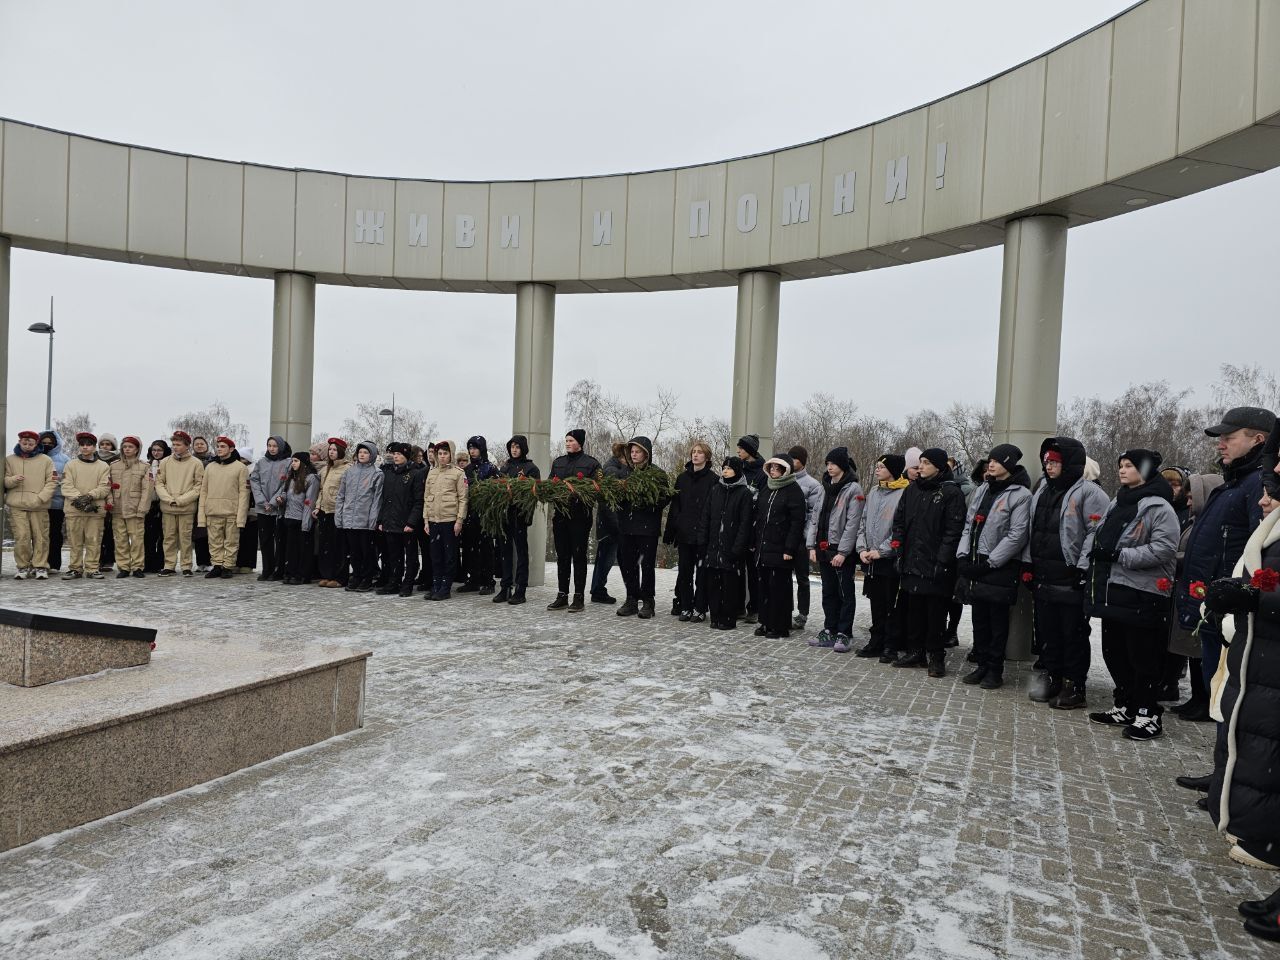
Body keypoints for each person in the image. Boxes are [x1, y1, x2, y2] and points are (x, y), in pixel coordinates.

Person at [1175, 407, 1273, 778]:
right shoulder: (1233, 483)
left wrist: (1240, 594)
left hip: (1234, 613)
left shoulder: (1258, 488)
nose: (1221, 443)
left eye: (1230, 437)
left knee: (1230, 697)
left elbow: (1258, 553)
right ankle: (1222, 772)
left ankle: (1230, 777)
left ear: (1258, 440)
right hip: (1214, 609)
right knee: (1217, 692)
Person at [1205, 428, 1280, 873]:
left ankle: (1267, 838)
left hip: (1268, 654)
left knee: (1265, 745)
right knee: (1253, 739)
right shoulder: (1265, 518)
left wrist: (1256, 598)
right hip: (1259, 652)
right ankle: (1260, 830)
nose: (1273, 475)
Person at [1082, 450, 1180, 741]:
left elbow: (1164, 548)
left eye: (1129, 466)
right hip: (1114, 589)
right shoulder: (1118, 501)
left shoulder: (1159, 507)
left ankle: (1148, 714)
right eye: (1121, 465)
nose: (1122, 471)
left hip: (1143, 592)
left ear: (1146, 470)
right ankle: (1125, 703)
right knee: (1115, 652)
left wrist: (1119, 554)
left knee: (1143, 657)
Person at [1023, 438, 1110, 709]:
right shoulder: (1042, 492)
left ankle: (1075, 685)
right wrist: (1028, 563)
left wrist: (1082, 568)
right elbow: (1032, 529)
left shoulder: (1090, 494)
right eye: (1047, 461)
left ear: (1069, 463)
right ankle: (1053, 677)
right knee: (1048, 632)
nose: (1049, 466)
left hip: (1070, 575)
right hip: (1044, 574)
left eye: (1055, 462)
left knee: (1072, 633)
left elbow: (1095, 534)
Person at [955, 444, 1032, 690]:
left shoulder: (1021, 495)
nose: (991, 464)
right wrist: (963, 555)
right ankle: (981, 664)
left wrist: (991, 562)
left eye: (997, 461)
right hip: (976, 562)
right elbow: (969, 523)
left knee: (998, 622)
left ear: (1009, 465)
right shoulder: (983, 489)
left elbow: (1017, 535)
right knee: (979, 618)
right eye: (990, 460)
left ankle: (995, 670)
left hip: (1000, 565)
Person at [891, 447, 967, 677]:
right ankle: (916, 652)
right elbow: (900, 521)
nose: (920, 467)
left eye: (926, 463)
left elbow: (953, 531)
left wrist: (943, 560)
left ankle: (936, 656)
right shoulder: (913, 489)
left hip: (936, 563)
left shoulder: (951, 493)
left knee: (935, 613)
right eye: (920, 462)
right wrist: (899, 546)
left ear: (939, 466)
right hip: (912, 560)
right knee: (914, 610)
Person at [1166, 472, 1224, 723]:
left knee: (1200, 650)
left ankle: (1205, 700)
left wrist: (1172, 558)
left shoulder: (1208, 525)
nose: (1188, 502)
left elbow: (1196, 555)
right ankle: (1198, 698)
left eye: (1192, 497)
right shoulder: (1194, 521)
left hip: (1199, 592)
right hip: (1188, 590)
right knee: (1191, 650)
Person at [806, 447, 863, 651]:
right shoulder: (824, 487)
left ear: (842, 466)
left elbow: (852, 523)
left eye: (833, 464)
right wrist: (811, 545)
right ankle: (829, 628)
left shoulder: (853, 489)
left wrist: (843, 552)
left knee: (844, 592)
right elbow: (815, 518)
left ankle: (844, 632)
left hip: (840, 549)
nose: (829, 467)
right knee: (828, 591)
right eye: (828, 464)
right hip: (823, 546)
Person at [856, 454, 910, 660]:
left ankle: (891, 644)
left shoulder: (904, 493)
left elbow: (901, 528)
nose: (877, 469)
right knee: (876, 602)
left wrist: (883, 550)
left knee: (891, 604)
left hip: (889, 559)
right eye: (876, 465)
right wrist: (862, 548)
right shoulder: (874, 491)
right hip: (870, 558)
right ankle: (876, 640)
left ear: (893, 470)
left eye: (881, 466)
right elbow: (863, 521)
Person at [615, 436, 671, 619]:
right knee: (628, 565)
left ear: (646, 453)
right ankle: (631, 598)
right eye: (632, 451)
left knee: (647, 566)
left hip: (647, 528)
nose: (634, 454)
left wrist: (648, 503)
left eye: (637, 451)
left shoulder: (657, 474)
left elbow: (664, 497)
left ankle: (648, 600)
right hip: (626, 527)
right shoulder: (624, 473)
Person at [752, 457, 807, 639]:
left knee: (779, 588)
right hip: (764, 546)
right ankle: (765, 621)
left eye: (778, 468)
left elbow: (796, 523)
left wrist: (790, 549)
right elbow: (760, 518)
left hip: (782, 548)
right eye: (772, 467)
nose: (774, 470)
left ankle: (779, 625)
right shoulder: (767, 487)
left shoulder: (793, 490)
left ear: (786, 470)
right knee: (764, 587)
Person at [698, 456, 755, 631]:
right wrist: (703, 541)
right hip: (713, 548)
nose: (725, 471)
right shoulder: (716, 490)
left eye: (729, 468)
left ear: (737, 471)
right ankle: (715, 616)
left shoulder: (744, 493)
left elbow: (745, 524)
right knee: (713, 584)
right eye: (724, 468)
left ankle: (728, 618)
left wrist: (737, 548)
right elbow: (706, 518)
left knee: (729, 586)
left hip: (731, 548)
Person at [548, 430, 601, 612]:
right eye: (566, 440)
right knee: (562, 557)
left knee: (579, 557)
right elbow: (550, 484)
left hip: (580, 518)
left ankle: (578, 597)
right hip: (560, 517)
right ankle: (562, 595)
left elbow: (596, 490)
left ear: (579, 442)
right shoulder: (558, 462)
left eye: (571, 440)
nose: (567, 443)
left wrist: (578, 496)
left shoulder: (591, 464)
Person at [664, 442, 716, 622]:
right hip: (685, 533)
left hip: (703, 535)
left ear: (706, 457)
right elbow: (675, 507)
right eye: (693, 452)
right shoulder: (682, 478)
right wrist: (672, 530)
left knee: (702, 574)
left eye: (700, 453)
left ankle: (700, 608)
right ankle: (685, 606)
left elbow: (713, 510)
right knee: (684, 572)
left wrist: (709, 532)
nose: (695, 455)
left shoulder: (713, 480)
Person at [495, 435, 540, 605]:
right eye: (512, 446)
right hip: (504, 515)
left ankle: (520, 589)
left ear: (523, 449)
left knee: (521, 552)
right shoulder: (505, 467)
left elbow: (533, 495)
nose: (514, 450)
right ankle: (505, 587)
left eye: (517, 447)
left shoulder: (531, 468)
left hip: (519, 516)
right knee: (505, 552)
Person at [4, 430, 56, 579]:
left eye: (31, 443)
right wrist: (13, 479)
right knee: (22, 537)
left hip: (39, 505)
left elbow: (52, 482)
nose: (27, 446)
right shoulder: (10, 459)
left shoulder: (46, 460)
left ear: (36, 444)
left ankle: (40, 566)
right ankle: (23, 566)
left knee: (41, 537)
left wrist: (40, 498)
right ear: (19, 442)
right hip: (17, 505)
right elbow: (5, 481)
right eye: (24, 443)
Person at [60, 432, 112, 580]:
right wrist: (81, 501)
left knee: (93, 540)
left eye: (88, 444)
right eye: (82, 445)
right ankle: (75, 568)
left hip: (95, 511)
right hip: (74, 510)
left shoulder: (103, 466)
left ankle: (92, 568)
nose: (85, 447)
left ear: (94, 447)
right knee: (75, 542)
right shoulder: (70, 465)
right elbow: (66, 486)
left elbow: (104, 487)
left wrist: (89, 497)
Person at [197, 436, 250, 579]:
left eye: (223, 446)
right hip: (213, 510)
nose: (219, 449)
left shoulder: (240, 468)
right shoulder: (210, 467)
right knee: (214, 541)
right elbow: (204, 491)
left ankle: (228, 566)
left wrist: (241, 517)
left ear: (231, 449)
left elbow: (244, 494)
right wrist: (202, 516)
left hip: (231, 511)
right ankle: (217, 565)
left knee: (231, 541)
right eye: (218, 446)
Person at [376, 442, 424, 597]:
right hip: (390, 522)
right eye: (394, 454)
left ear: (406, 456)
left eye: (399, 454)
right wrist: (381, 520)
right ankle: (393, 582)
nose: (396, 457)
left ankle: (408, 583)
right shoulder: (389, 473)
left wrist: (411, 522)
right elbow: (384, 499)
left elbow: (418, 501)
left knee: (410, 556)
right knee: (393, 555)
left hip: (407, 523)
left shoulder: (415, 473)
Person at [335, 441, 383, 592]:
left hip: (365, 520)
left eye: (366, 452)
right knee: (354, 551)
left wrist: (373, 519)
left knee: (367, 551)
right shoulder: (349, 472)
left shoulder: (377, 474)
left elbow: (377, 499)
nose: (362, 455)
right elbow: (341, 495)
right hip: (349, 519)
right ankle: (356, 575)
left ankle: (367, 578)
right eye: (360, 452)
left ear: (372, 455)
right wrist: (340, 515)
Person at [155, 431, 205, 577]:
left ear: (187, 446)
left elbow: (198, 486)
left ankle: (186, 565)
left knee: (186, 538)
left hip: (186, 507)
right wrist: (168, 499)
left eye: (178, 444)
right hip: (168, 507)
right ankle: (169, 565)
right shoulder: (165, 462)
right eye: (174, 444)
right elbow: (159, 483)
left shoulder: (196, 463)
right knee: (168, 537)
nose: (175, 447)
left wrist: (182, 500)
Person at [423, 440, 467, 601]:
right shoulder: (432, 473)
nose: (442, 457)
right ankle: (436, 585)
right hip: (434, 520)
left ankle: (445, 587)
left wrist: (459, 520)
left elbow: (463, 499)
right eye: (439, 454)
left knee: (449, 556)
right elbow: (427, 498)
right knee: (435, 556)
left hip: (449, 520)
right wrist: (426, 520)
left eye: (445, 454)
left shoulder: (458, 473)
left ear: (451, 455)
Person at [458, 436, 499, 595]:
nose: (472, 451)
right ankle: (473, 579)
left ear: (481, 449)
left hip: (485, 515)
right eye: (470, 448)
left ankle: (488, 580)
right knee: (469, 548)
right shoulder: (467, 470)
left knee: (486, 548)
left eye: (475, 448)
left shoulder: (490, 468)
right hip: (469, 514)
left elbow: (497, 491)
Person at [788, 445, 822, 631]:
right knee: (783, 576)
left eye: (795, 459)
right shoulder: (782, 479)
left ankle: (802, 613)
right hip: (784, 538)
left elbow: (812, 515)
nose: (792, 462)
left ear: (802, 461)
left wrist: (808, 539)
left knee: (802, 577)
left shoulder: (812, 485)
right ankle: (783, 609)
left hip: (801, 539)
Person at [589, 441, 628, 604]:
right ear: (622, 455)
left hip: (611, 523)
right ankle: (598, 590)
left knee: (607, 558)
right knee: (606, 559)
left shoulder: (614, 467)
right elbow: (609, 501)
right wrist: (617, 526)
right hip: (612, 525)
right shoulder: (612, 470)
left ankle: (598, 589)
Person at [250, 435, 293, 582]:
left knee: (279, 540)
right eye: (269, 445)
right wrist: (263, 502)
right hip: (263, 508)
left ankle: (278, 569)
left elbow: (286, 484)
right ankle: (267, 569)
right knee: (265, 540)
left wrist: (273, 502)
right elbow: (254, 481)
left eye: (275, 446)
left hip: (279, 508)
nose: (272, 449)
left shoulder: (287, 463)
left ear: (280, 447)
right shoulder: (261, 462)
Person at [276, 450, 319, 585]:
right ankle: (290, 572)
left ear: (303, 463)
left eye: (296, 461)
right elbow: (285, 492)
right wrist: (281, 499)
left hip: (302, 519)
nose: (293, 464)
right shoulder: (291, 477)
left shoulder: (311, 478)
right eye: (292, 461)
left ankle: (302, 575)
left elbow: (309, 501)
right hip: (290, 517)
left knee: (303, 549)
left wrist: (306, 523)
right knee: (291, 549)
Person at [108, 436, 149, 579]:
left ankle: (137, 566)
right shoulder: (114, 466)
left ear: (137, 449)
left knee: (137, 540)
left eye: (130, 447)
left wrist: (142, 508)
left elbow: (147, 490)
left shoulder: (144, 467)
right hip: (118, 508)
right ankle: (124, 567)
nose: (127, 449)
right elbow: (108, 488)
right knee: (120, 540)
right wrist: (110, 502)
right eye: (125, 447)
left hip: (135, 509)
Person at [736, 434, 767, 623]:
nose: (738, 451)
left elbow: (762, 502)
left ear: (750, 450)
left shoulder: (762, 472)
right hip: (737, 527)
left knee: (753, 571)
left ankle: (755, 608)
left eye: (741, 448)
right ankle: (738, 605)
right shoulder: (739, 468)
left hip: (753, 529)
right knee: (737, 569)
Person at [315, 438, 351, 588]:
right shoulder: (325, 469)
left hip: (338, 511)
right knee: (325, 545)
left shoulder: (348, 468)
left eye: (335, 450)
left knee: (339, 546)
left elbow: (348, 492)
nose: (331, 452)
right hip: (325, 511)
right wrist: (318, 506)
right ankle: (326, 574)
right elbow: (322, 490)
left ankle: (340, 576)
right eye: (330, 449)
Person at [37, 431, 69, 571]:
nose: (47, 445)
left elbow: (68, 480)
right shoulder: (34, 457)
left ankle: (54, 563)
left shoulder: (65, 459)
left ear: (56, 443)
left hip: (57, 503)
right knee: (38, 534)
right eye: (44, 443)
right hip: (37, 503)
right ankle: (39, 562)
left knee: (55, 534)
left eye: (50, 443)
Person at [142, 439, 170, 573]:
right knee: (149, 536)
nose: (156, 453)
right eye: (154, 450)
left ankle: (161, 563)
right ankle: (149, 562)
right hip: (150, 504)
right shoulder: (146, 466)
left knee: (164, 535)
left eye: (159, 450)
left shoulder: (169, 465)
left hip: (165, 502)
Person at [96, 433, 120, 574]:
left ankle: (109, 559)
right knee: (97, 531)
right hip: (98, 496)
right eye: (103, 444)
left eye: (108, 444)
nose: (105, 447)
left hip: (114, 496)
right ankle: (96, 559)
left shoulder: (118, 459)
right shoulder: (94, 458)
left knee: (110, 531)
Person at [190, 436, 215, 571]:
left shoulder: (214, 461)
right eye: (196, 444)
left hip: (211, 498)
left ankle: (212, 561)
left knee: (211, 531)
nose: (199, 446)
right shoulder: (190, 461)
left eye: (202, 443)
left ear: (207, 445)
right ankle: (201, 562)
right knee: (198, 533)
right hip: (194, 498)